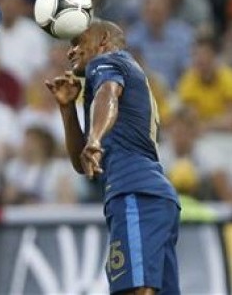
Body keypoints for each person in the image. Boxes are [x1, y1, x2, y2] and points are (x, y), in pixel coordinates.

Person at [45, 20, 180, 294]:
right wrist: (68, 108)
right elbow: (82, 165)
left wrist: (95, 137)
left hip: (134, 190)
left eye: (78, 42)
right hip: (150, 192)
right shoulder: (120, 72)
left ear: (104, 40)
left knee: (133, 289)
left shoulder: (108, 62)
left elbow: (110, 94)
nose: (71, 52)